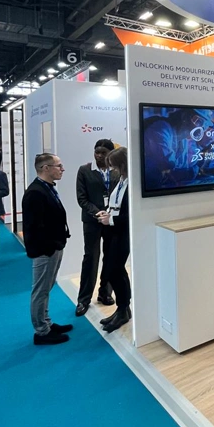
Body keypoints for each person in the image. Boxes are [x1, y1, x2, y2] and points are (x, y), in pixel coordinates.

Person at [22, 153, 72, 345]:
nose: (62, 169)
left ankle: (46, 322)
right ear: (45, 168)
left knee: (46, 288)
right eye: (58, 166)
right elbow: (34, 227)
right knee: (40, 290)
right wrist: (49, 247)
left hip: (53, 246)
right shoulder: (35, 192)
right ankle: (41, 332)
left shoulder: (46, 188)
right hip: (45, 250)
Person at [75, 138, 118, 316]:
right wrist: (97, 213)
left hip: (112, 221)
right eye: (96, 152)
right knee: (91, 258)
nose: (99, 155)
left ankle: (105, 293)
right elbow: (81, 198)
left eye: (103, 152)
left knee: (110, 257)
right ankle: (83, 299)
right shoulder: (84, 170)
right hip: (92, 221)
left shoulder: (117, 171)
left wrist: (110, 214)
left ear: (110, 154)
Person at [97, 147, 131, 332]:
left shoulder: (132, 183)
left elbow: (132, 214)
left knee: (115, 270)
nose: (112, 170)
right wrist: (107, 213)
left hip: (123, 233)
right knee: (113, 271)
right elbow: (116, 204)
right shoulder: (121, 180)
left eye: (115, 166)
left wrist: (111, 220)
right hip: (112, 231)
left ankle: (123, 308)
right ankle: (123, 309)